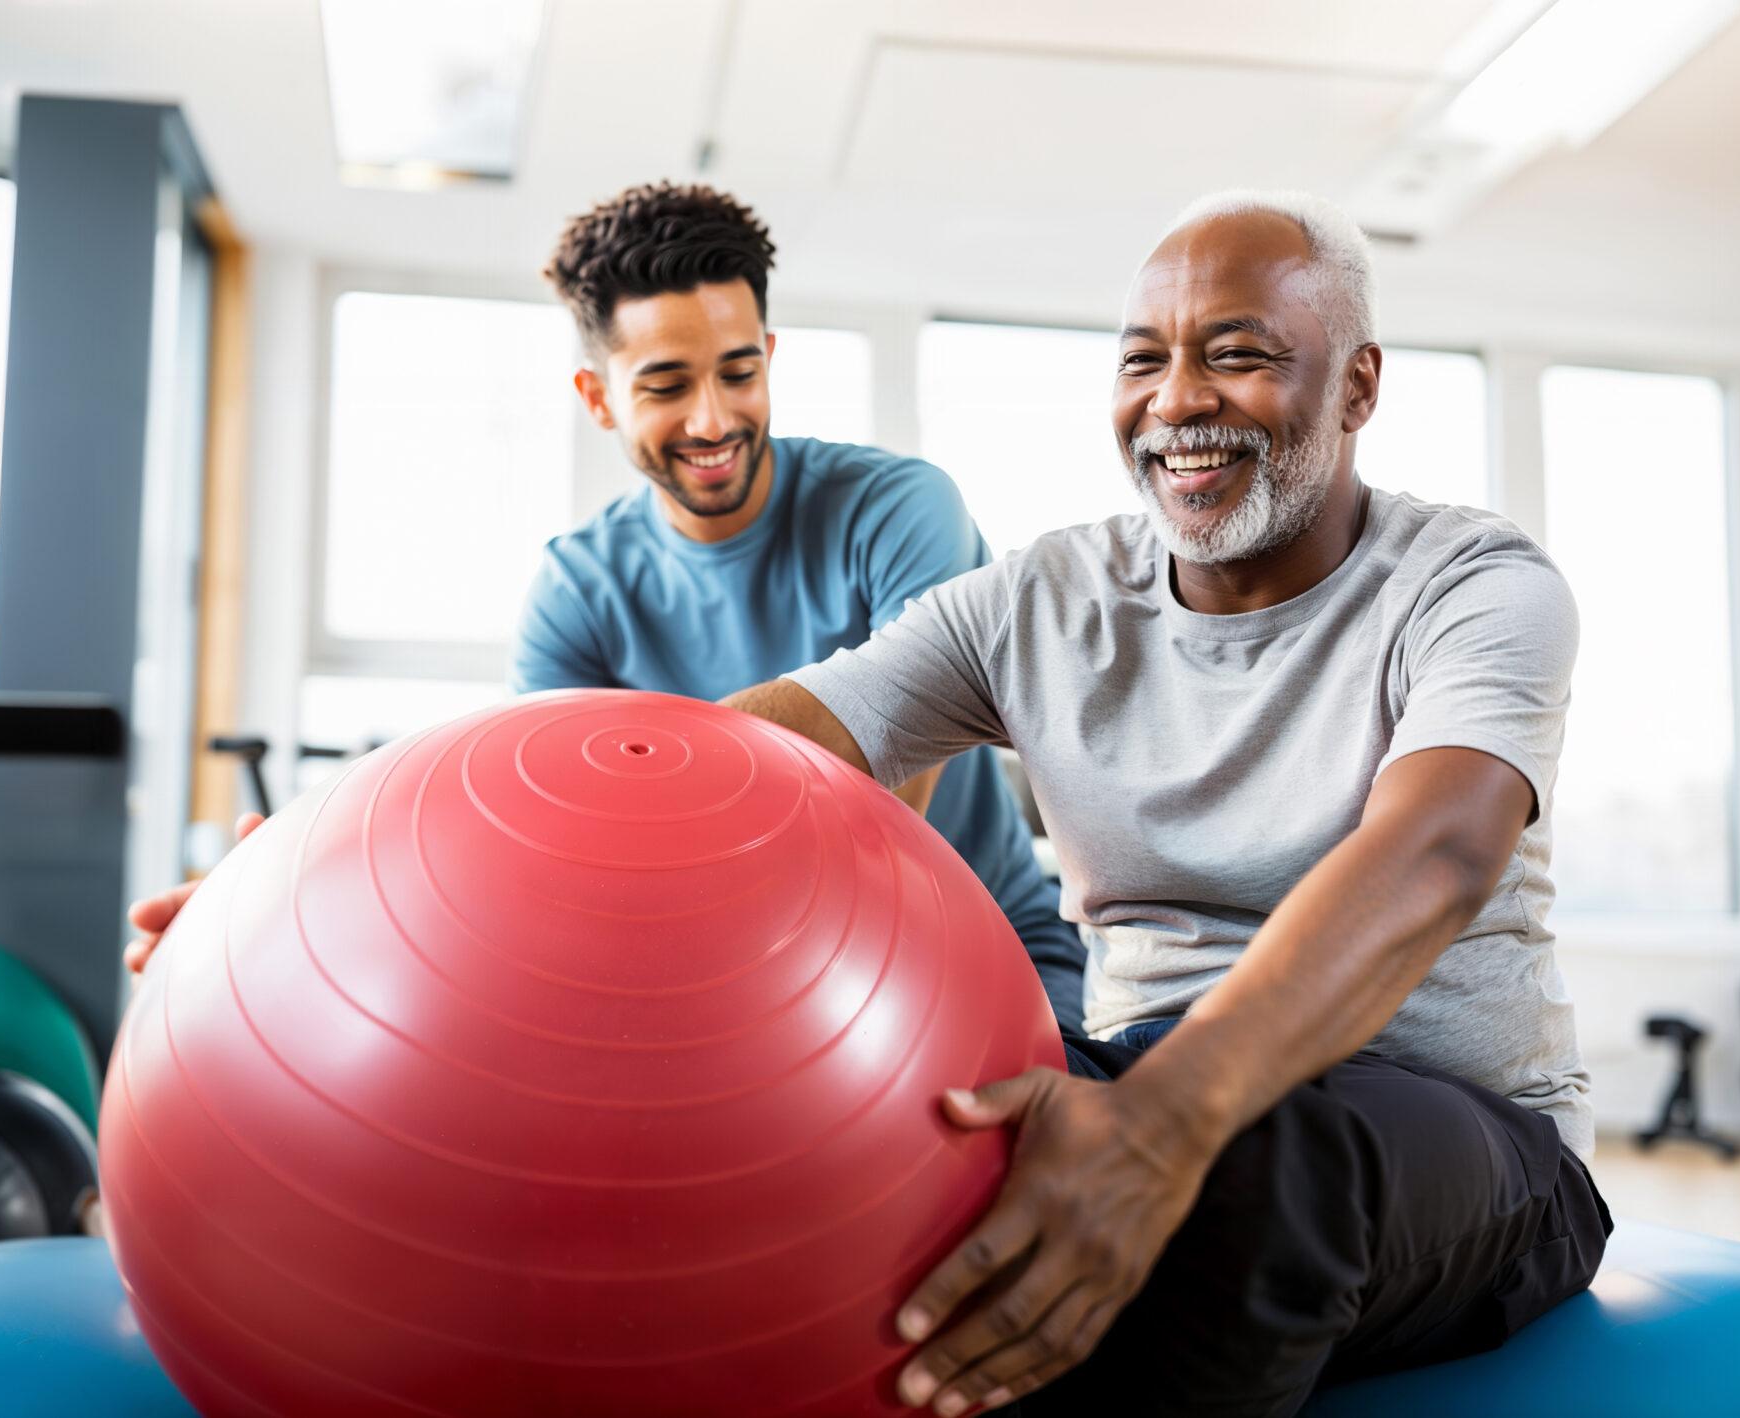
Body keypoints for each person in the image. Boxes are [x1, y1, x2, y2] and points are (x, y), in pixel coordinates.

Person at [720, 190, 1608, 1417]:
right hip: (1138, 1068)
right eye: (1145, 359)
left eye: (1237, 355)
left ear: (1356, 388)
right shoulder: (1042, 599)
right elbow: (774, 750)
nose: (1178, 399)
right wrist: (573, 810)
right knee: (887, 1136)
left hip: (1461, 1134)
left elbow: (1438, 853)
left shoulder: (1475, 585)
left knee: (1254, 1173)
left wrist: (1161, 1122)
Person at [129, 181, 1086, 1032]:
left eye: (739, 372)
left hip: (978, 955)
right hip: (730, 992)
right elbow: (534, 845)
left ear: (769, 356)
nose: (713, 419)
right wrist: (291, 904)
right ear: (598, 397)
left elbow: (876, 802)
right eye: (666, 384)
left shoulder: (898, 508)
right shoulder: (578, 591)